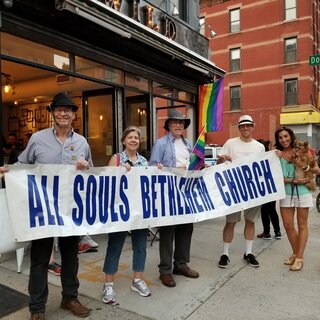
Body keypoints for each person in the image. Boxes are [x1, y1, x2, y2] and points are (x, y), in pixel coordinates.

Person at [17, 92, 92, 319]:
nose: (63, 113)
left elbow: (91, 173)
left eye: (67, 110)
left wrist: (85, 166)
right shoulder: (38, 139)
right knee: (40, 259)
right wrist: (8, 171)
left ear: (73, 115)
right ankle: (37, 308)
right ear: (52, 113)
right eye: (58, 109)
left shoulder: (82, 142)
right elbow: (22, 164)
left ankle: (70, 298)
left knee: (71, 257)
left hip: (71, 210)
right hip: (43, 210)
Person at [149, 109, 199, 288]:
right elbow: (153, 167)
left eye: (181, 123)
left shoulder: (188, 144)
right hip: (168, 194)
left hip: (186, 193)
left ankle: (181, 265)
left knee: (186, 229)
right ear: (168, 125)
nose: (178, 125)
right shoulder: (161, 143)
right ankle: (165, 271)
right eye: (175, 122)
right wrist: (161, 169)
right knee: (168, 232)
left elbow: (195, 165)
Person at [102, 126, 151, 304]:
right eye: (129, 137)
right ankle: (108, 284)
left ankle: (137, 280)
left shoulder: (144, 161)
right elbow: (107, 183)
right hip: (120, 212)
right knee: (115, 246)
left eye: (136, 138)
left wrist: (158, 171)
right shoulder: (116, 159)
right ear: (123, 141)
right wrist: (120, 171)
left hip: (139, 211)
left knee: (140, 246)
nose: (133, 140)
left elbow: (149, 185)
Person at [217, 115, 265, 269]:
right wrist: (222, 159)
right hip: (234, 191)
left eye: (248, 125)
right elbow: (219, 164)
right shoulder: (230, 143)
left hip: (253, 190)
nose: (245, 128)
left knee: (251, 221)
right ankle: (225, 253)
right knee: (230, 222)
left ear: (253, 126)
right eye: (242, 126)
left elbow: (264, 167)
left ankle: (248, 253)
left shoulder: (259, 147)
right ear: (238, 127)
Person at [274, 127, 320, 271]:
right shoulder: (277, 154)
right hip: (285, 193)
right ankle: (296, 253)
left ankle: (299, 258)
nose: (284, 140)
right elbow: (274, 176)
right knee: (288, 225)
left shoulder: (303, 150)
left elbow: (317, 170)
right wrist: (291, 181)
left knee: (302, 225)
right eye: (280, 137)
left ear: (291, 136)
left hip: (303, 192)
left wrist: (302, 166)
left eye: (286, 136)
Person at [256, 139, 282, 240]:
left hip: (265, 188)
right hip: (272, 187)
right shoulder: (271, 156)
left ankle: (267, 232)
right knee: (272, 210)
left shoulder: (265, 157)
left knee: (265, 211)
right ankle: (277, 232)